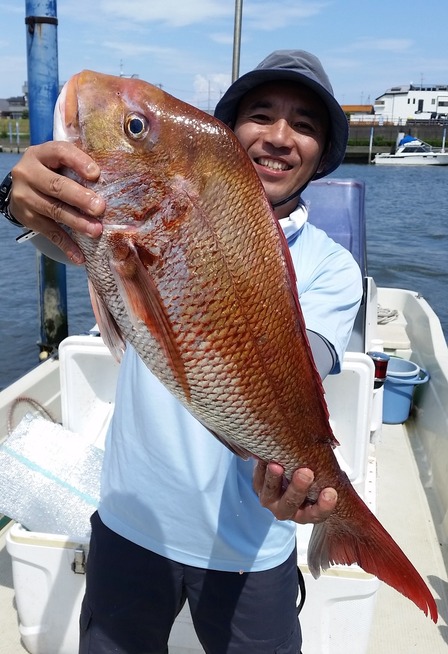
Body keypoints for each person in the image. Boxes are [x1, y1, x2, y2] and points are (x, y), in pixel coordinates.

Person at [4, 50, 362, 653]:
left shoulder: (331, 266)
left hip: (252, 546)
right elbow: (43, 227)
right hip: (128, 524)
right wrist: (14, 196)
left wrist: (306, 480)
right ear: (224, 134)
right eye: (261, 114)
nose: (278, 136)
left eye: (303, 124)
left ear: (320, 152)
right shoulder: (127, 220)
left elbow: (305, 370)